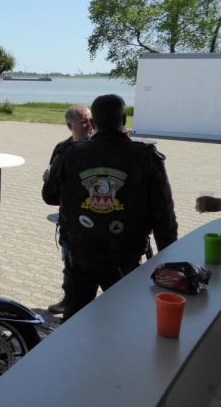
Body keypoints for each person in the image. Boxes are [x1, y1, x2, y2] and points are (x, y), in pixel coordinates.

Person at [42, 94, 178, 321]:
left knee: (74, 316)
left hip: (80, 252)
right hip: (125, 254)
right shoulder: (145, 157)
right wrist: (170, 263)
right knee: (123, 317)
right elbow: (163, 215)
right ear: (124, 120)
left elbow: (50, 196)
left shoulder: (70, 154)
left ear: (93, 123)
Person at [43, 105, 93, 315]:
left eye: (91, 120)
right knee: (70, 265)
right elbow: (51, 190)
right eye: (84, 122)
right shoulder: (62, 148)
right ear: (70, 126)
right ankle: (69, 300)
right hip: (70, 220)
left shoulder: (99, 146)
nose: (89, 125)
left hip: (98, 218)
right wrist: (49, 179)